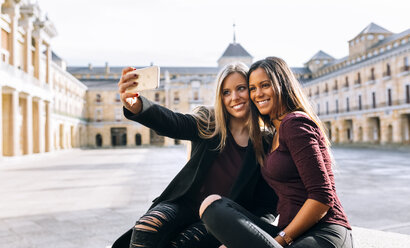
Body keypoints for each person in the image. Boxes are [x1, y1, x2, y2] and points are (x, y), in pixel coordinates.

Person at [112, 62, 278, 248]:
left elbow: (268, 204)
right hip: (184, 204)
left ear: (252, 90)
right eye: (226, 92)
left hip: (221, 216)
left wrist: (244, 234)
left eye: (241, 88)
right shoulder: (208, 124)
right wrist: (138, 106)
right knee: (147, 226)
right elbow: (173, 122)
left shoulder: (268, 142)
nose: (234, 97)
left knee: (184, 244)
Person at [200, 57, 353, 248]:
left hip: (323, 231)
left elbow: (322, 198)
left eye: (265, 85)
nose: (258, 94)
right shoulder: (273, 134)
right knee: (213, 205)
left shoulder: (295, 123)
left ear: (281, 84)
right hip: (289, 230)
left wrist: (280, 240)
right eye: (253, 88)